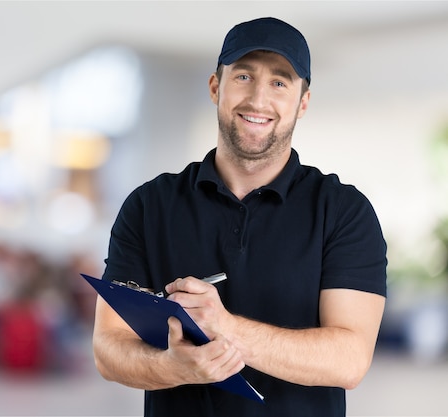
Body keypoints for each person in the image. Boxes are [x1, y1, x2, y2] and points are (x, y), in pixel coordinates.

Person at [92, 16, 387, 417]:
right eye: (244, 77)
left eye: (279, 82)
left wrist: (225, 327)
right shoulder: (149, 206)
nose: (258, 100)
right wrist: (170, 368)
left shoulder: (343, 212)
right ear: (216, 87)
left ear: (303, 102)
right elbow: (108, 349)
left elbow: (349, 360)